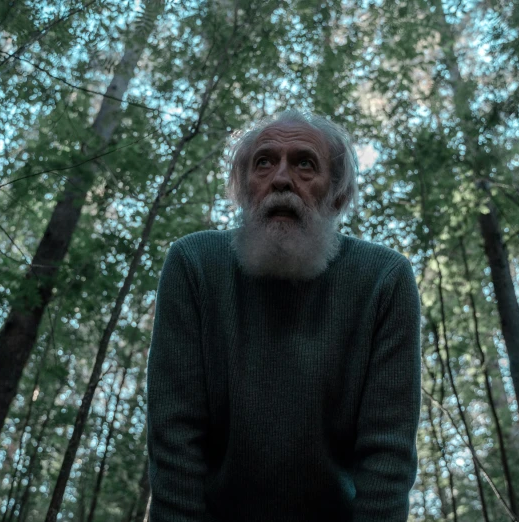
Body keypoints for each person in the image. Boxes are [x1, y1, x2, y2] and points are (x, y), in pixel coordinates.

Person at [145, 110, 422, 522]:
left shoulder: (384, 278)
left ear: (338, 195)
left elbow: (386, 457)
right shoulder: (195, 264)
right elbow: (175, 438)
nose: (280, 178)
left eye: (304, 164)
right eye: (263, 162)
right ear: (243, 191)